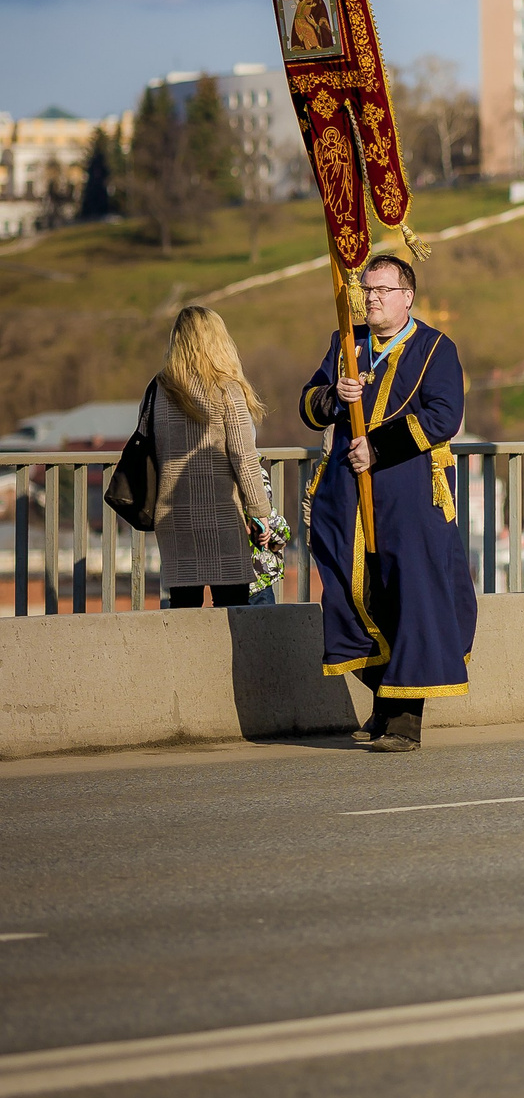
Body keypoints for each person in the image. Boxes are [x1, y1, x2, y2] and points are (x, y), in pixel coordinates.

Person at [301, 253, 476, 752]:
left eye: (382, 290)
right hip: (346, 504)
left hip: (410, 497)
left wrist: (378, 446)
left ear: (408, 297)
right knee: (350, 599)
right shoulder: (345, 341)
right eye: (367, 289)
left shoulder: (436, 348)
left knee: (411, 602)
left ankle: (403, 720)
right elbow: (309, 403)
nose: (372, 298)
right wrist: (336, 395)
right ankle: (384, 696)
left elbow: (444, 416)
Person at [152, 306, 283, 610]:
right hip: (222, 515)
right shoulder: (226, 389)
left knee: (183, 609)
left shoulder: (158, 389)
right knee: (232, 610)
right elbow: (244, 457)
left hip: (174, 517)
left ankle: (185, 659)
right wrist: (260, 512)